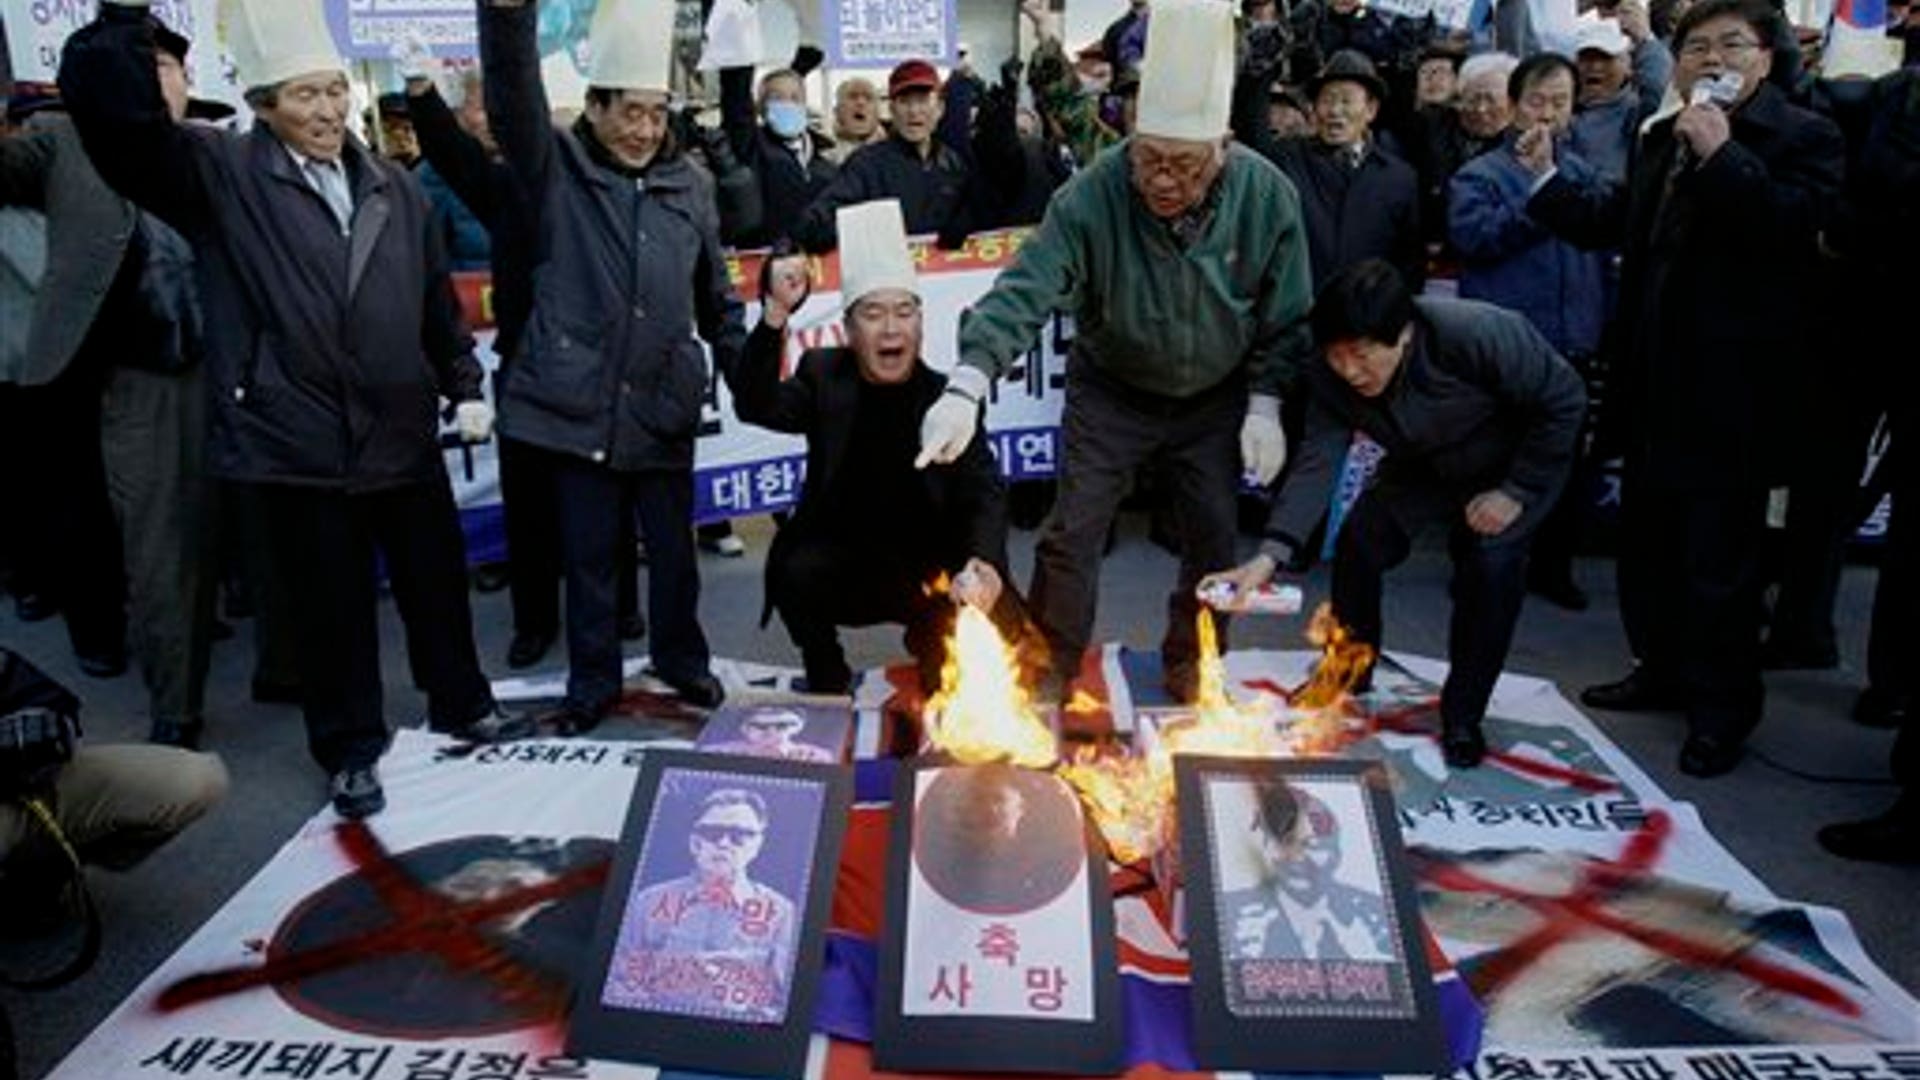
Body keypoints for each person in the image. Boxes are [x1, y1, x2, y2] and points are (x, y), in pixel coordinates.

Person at [58, 0, 536, 820]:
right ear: (263, 104)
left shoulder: (392, 182)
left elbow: (431, 302)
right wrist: (124, 23)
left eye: (332, 91)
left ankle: (463, 701)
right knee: (331, 606)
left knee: (435, 584)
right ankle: (350, 746)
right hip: (296, 434)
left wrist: (460, 380)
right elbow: (123, 130)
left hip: (399, 425)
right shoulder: (220, 174)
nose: (325, 110)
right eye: (303, 96)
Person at [923, 0, 1313, 703]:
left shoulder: (1267, 196)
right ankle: (1050, 667)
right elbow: (1027, 287)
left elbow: (1287, 316)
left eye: (1184, 167)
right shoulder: (1093, 194)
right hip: (1112, 391)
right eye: (1149, 160)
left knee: (1213, 539)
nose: (1163, 182)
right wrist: (967, 383)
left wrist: (1266, 401)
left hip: (1215, 396)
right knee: (1072, 534)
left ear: (1222, 147)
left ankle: (1196, 663)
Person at [1529, 0, 1844, 778]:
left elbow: (1799, 228)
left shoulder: (1805, 136)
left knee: (1720, 562)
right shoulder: (1660, 138)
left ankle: (1721, 710)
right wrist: (1542, 178)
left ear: (1766, 58)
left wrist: (1724, 158)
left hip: (1735, 393)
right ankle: (1660, 668)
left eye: (1730, 43)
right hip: (1652, 379)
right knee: (1651, 547)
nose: (1710, 59)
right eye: (1695, 46)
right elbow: (1618, 222)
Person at [478, 0, 745, 731]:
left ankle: (683, 663)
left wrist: (743, 358)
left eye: (657, 115)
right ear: (593, 107)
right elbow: (510, 98)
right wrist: (506, 18)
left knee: (674, 557)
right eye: (629, 112)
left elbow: (713, 290)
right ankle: (591, 685)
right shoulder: (553, 165)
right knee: (589, 561)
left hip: (662, 401)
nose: (643, 130)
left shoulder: (689, 184)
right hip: (579, 402)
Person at [1203, 261, 1585, 768]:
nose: (1350, 372)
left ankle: (1463, 716)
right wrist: (1270, 555)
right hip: (1423, 463)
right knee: (1361, 537)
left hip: (1511, 464)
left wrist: (1516, 490)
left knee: (1490, 573)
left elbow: (1563, 400)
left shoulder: (1477, 333)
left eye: (1362, 355)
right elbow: (1319, 458)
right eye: (1337, 356)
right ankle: (1346, 669)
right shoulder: (1328, 373)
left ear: (1402, 335)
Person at [2, 19, 224, 750]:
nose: (158, 78)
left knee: (266, 532)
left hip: (236, 369)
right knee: (158, 541)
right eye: (143, 65)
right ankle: (177, 708)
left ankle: (285, 666)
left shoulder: (219, 149)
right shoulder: (62, 143)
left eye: (167, 65)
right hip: (134, 374)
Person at [397, 48, 646, 672]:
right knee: (530, 506)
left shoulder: (613, 185)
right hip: (527, 372)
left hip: (601, 369)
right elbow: (454, 158)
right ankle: (535, 621)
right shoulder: (507, 186)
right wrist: (424, 93)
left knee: (608, 499)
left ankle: (620, 607)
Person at [735, 201, 1027, 695]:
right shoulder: (824, 375)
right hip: (846, 561)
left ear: (920, 324)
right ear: (849, 330)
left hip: (932, 566)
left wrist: (982, 563)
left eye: (904, 313)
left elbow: (984, 489)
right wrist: (775, 316)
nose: (891, 329)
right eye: (873, 314)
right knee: (795, 570)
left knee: (979, 668)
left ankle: (934, 641)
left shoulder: (947, 398)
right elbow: (756, 404)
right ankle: (825, 667)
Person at [1449, 52, 1612, 612]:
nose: (1548, 113)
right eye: (1537, 101)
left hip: (1575, 340)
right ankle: (1475, 566)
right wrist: (1542, 205)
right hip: (1506, 343)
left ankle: (1553, 569)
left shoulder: (1584, 171)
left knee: (1567, 464)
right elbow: (1475, 239)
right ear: (1514, 106)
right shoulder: (1479, 173)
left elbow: (1600, 240)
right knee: (1491, 463)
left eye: (1560, 103)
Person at [1, 647, 227, 920]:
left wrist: (30, 743)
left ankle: (30, 882)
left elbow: (43, 698)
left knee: (195, 779)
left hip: (14, 793)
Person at [1234, 49, 1424, 291]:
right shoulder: (1287, 159)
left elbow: (1409, 264)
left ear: (1371, 109)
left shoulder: (1399, 178)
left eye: (1346, 100)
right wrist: (1258, 74)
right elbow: (1251, 137)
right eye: (1327, 100)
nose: (1335, 111)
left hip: (1365, 322)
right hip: (1298, 313)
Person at [609, 788, 797, 1021]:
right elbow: (619, 981)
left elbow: (781, 1002)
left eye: (739, 835)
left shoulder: (782, 914)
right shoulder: (647, 902)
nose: (724, 843)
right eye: (712, 832)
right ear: (695, 842)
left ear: (757, 845)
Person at [795, 60, 975, 252]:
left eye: (922, 100)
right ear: (891, 109)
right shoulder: (866, 165)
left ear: (940, 108)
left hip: (945, 276)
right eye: (904, 101)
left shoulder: (954, 163)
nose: (914, 111)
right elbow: (814, 225)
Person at [1220, 780, 1392, 962]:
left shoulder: (1376, 918)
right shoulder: (1233, 916)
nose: (1297, 856)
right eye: (1285, 842)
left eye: (1313, 845)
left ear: (1335, 853)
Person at [719, 63, 837, 249]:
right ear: (760, 108)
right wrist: (738, 54)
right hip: (765, 263)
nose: (787, 104)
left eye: (795, 98)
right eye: (777, 98)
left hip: (816, 267)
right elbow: (736, 101)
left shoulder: (827, 167)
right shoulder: (752, 147)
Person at [1568, 4, 1674, 184]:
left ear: (1628, 66)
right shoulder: (1558, 110)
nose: (1595, 66)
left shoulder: (1638, 115)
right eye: (1587, 57)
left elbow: (1656, 84)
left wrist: (1646, 40)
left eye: (1606, 58)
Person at [703, 707, 837, 763]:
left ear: (798, 728)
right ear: (744, 728)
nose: (771, 733)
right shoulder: (715, 752)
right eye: (761, 726)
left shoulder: (818, 756)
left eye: (782, 726)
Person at [826, 77, 886, 163]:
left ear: (878, 112)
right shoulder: (822, 153)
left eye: (868, 98)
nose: (861, 102)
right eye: (852, 97)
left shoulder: (895, 153)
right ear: (837, 110)